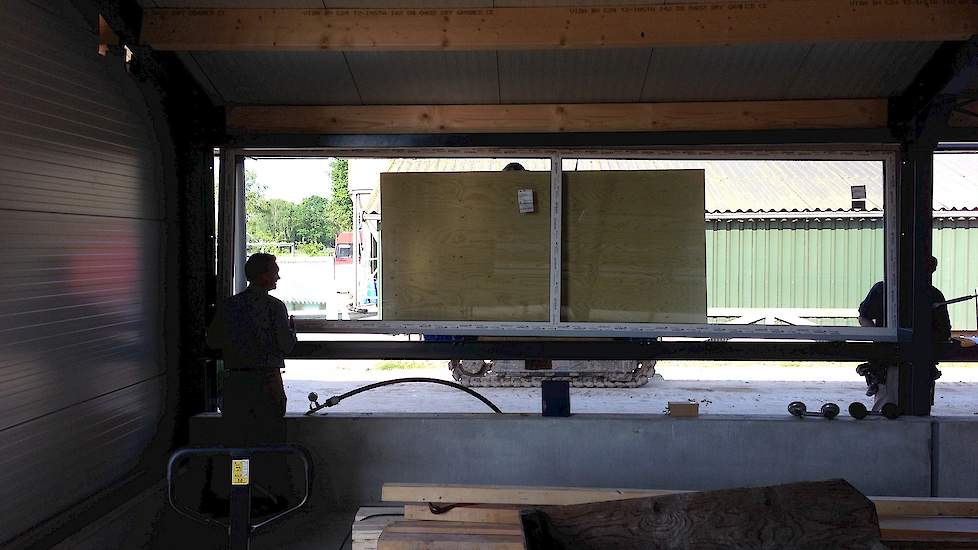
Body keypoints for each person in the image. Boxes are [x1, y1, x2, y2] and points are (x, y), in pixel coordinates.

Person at [205, 253, 298, 515]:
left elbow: (212, 341)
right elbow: (286, 345)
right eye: (274, 271)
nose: (278, 276)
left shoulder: (229, 306)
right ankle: (271, 497)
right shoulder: (275, 307)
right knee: (268, 440)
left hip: (236, 384)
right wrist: (291, 330)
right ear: (262, 276)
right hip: (267, 383)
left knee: (239, 443)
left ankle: (239, 494)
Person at [856, 255, 951, 410]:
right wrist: (882, 338)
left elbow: (943, 332)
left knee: (913, 412)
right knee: (889, 410)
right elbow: (864, 317)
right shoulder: (883, 290)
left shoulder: (933, 295)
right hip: (890, 364)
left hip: (918, 363)